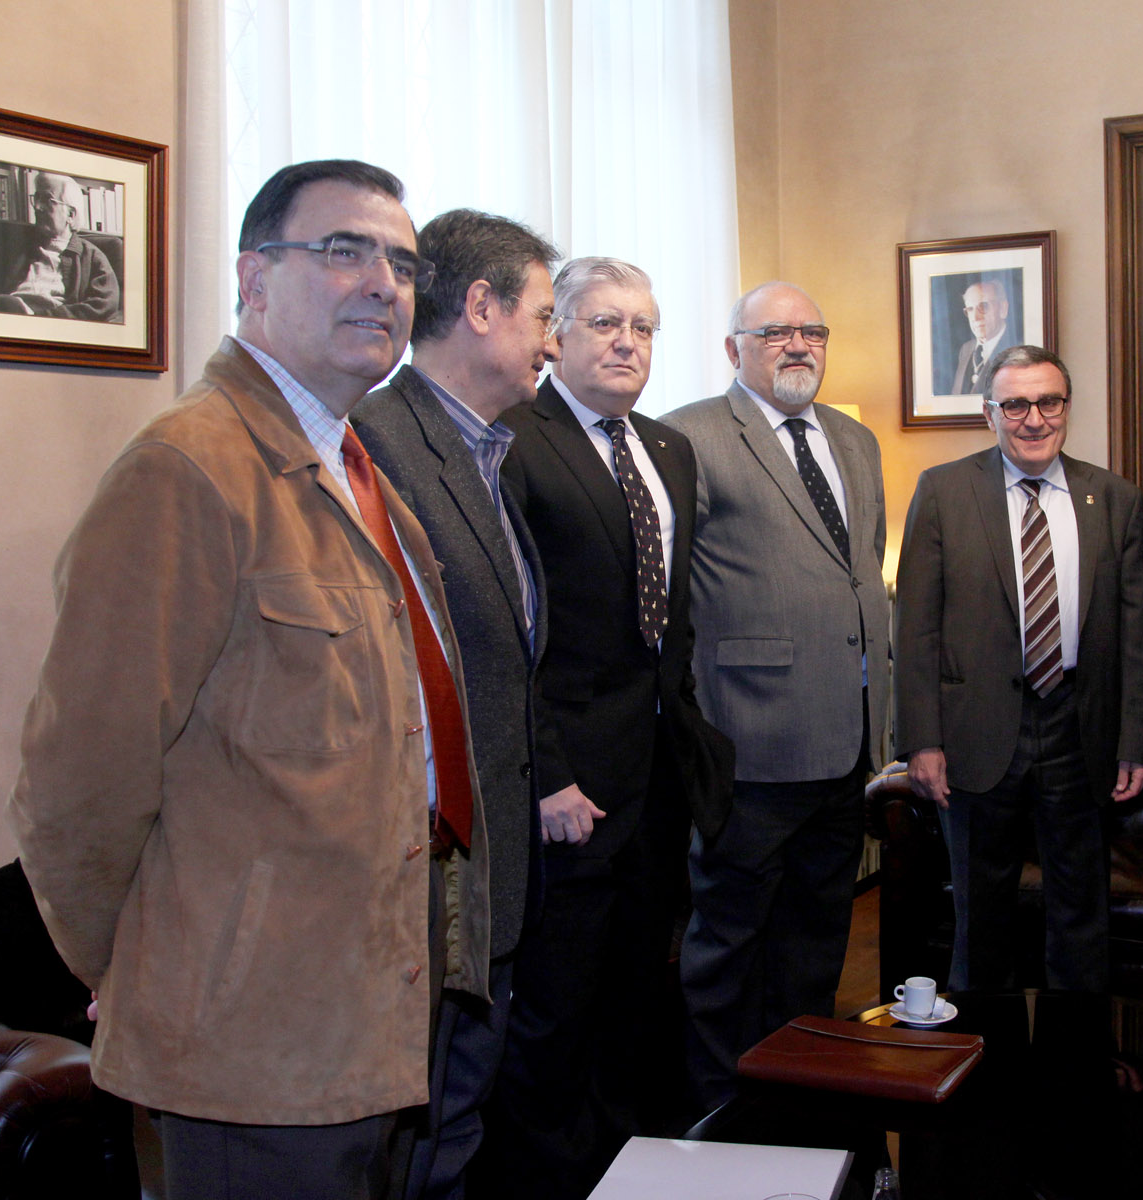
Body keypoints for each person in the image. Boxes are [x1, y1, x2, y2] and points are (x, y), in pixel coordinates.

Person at [5, 159, 490, 1199]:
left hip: (372, 1008)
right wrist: (139, 965)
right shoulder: (186, 468)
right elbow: (78, 779)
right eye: (344, 251)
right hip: (252, 1038)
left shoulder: (355, 473)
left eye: (403, 264)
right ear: (252, 278)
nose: (383, 283)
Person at [479, 257, 732, 1200]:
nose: (628, 343)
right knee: (558, 1007)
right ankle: (551, 1180)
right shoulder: (515, 439)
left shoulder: (669, 450)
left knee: (637, 993)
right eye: (604, 323)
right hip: (568, 786)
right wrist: (547, 772)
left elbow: (672, 620)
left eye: (644, 327)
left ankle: (628, 1171)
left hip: (658, 778)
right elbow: (507, 635)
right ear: (555, 336)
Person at [350, 208, 557, 1198]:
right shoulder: (376, 445)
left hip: (491, 875)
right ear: (481, 306)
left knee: (458, 1130)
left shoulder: (489, 452)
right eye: (544, 315)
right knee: (417, 1148)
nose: (553, 341)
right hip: (426, 888)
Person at [663, 281, 891, 1110]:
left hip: (844, 744)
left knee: (816, 941)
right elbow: (668, 595)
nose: (799, 345)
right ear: (734, 348)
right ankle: (717, 1114)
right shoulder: (687, 436)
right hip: (747, 742)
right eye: (775, 332)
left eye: (812, 331)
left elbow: (860, 571)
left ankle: (800, 1099)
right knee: (727, 946)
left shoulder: (855, 440)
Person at [894, 344, 1143, 992]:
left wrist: (1134, 740)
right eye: (1015, 405)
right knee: (980, 916)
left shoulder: (1114, 498)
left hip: (1079, 729)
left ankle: (1076, 1047)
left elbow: (1136, 636)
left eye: (1048, 402)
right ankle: (986, 1048)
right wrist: (921, 741)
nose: (1034, 419)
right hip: (975, 733)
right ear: (990, 413)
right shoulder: (943, 491)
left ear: (1067, 407)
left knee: (1081, 911)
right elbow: (916, 629)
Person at [0, 171, 121, 322]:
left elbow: (104, 305)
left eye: (47, 199)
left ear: (70, 215)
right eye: (37, 198)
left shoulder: (92, 257)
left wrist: (39, 317)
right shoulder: (17, 246)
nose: (37, 207)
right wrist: (0, 304)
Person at [950, 277, 1014, 395]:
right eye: (970, 309)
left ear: (1003, 309)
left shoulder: (1015, 350)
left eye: (983, 306)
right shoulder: (966, 349)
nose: (975, 317)